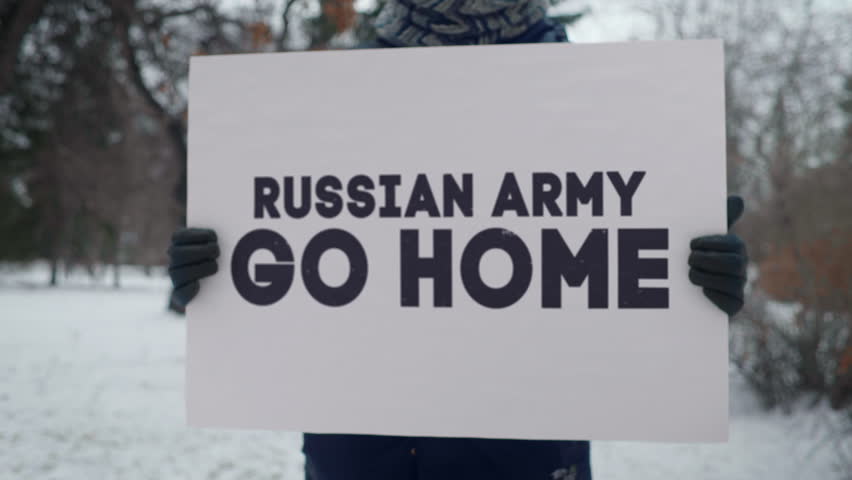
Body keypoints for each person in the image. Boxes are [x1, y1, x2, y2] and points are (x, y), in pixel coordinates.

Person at [167, 2, 748, 479]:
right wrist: (216, 273)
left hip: (524, 460)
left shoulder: (603, 100)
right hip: (359, 458)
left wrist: (693, 283)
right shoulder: (329, 96)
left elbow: (616, 276)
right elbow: (291, 259)